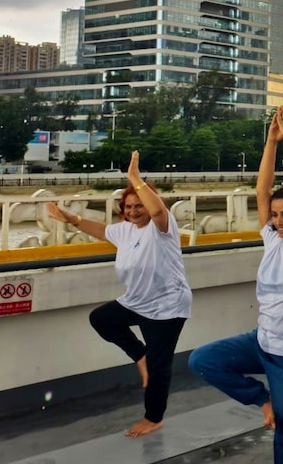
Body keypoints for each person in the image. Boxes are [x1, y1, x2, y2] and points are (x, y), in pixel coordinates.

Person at [189, 106, 283, 464]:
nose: (280, 221)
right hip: (263, 342)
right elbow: (262, 188)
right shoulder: (272, 238)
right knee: (203, 360)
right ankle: (262, 397)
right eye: (275, 214)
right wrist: (271, 142)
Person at [45, 150, 191, 438]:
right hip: (137, 301)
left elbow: (159, 210)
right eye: (128, 206)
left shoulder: (162, 227)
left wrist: (135, 178)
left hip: (167, 306)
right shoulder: (126, 230)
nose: (134, 211)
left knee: (160, 367)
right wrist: (70, 218)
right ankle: (140, 357)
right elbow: (101, 231)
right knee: (102, 318)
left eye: (139, 205)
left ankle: (153, 418)